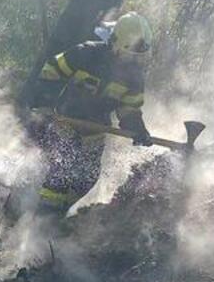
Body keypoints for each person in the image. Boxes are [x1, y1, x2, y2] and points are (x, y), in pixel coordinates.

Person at [29, 12, 156, 214]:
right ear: (116, 45)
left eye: (137, 58)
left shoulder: (134, 78)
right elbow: (52, 70)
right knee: (60, 174)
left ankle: (59, 215)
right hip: (65, 123)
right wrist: (44, 103)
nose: (133, 62)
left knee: (86, 179)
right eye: (130, 56)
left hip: (95, 132)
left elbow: (129, 109)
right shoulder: (85, 54)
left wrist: (138, 130)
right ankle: (42, 223)